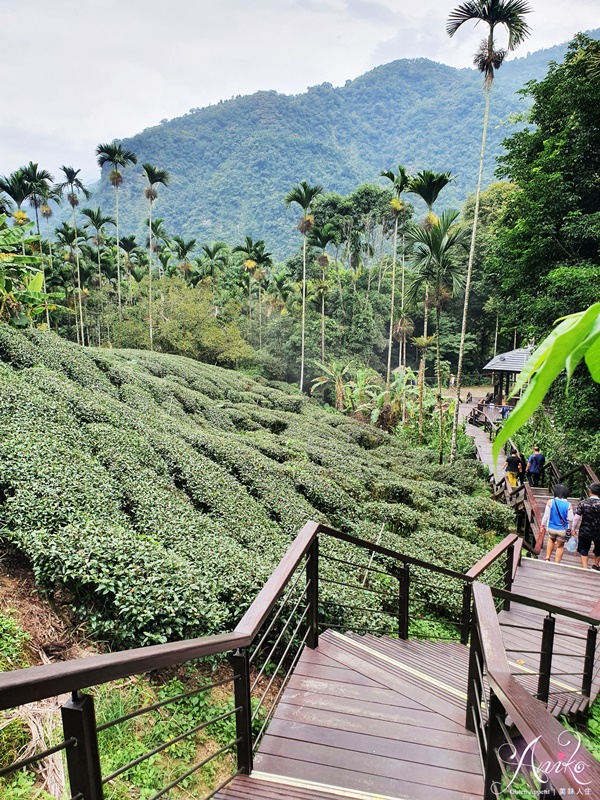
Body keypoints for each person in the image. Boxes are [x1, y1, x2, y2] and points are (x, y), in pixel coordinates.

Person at [540, 484, 573, 564]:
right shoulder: (568, 505)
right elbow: (571, 518)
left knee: (551, 539)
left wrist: (542, 525)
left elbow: (546, 516)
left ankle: (547, 557)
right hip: (562, 529)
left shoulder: (550, 502)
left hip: (551, 527)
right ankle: (556, 563)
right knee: (560, 546)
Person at [571, 482, 600, 570]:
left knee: (584, 548)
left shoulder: (583, 503)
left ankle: (584, 567)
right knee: (599, 548)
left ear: (590, 491)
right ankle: (595, 565)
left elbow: (576, 518)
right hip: (598, 530)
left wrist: (573, 529)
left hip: (585, 530)